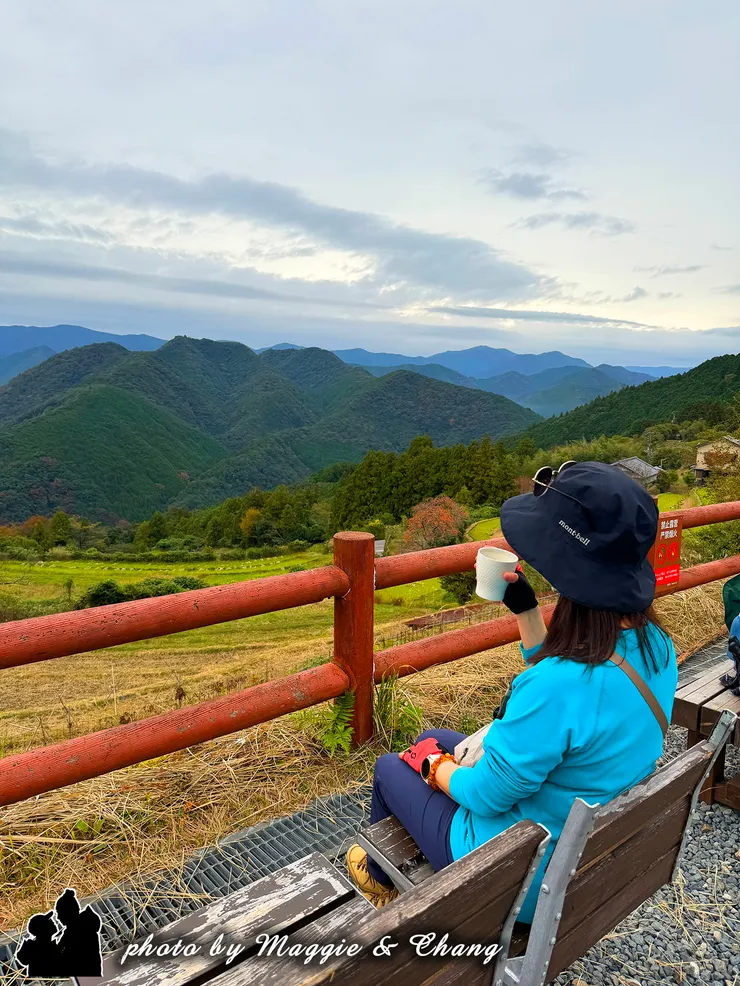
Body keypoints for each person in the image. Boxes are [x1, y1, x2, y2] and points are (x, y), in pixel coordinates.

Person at [346, 461, 678, 916]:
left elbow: (486, 794)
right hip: (583, 843)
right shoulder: (655, 646)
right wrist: (526, 611)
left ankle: (386, 884)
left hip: (514, 873)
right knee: (442, 740)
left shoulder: (557, 686)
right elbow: (569, 693)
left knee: (391, 766)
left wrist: (430, 767)